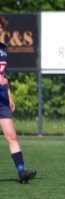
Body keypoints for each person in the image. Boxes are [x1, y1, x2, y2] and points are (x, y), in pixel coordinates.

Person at [0, 16, 37, 183]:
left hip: (2, 99)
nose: (1, 30)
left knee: (12, 136)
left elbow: (4, 76)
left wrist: (9, 95)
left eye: (1, 27)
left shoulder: (3, 49)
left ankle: (21, 173)